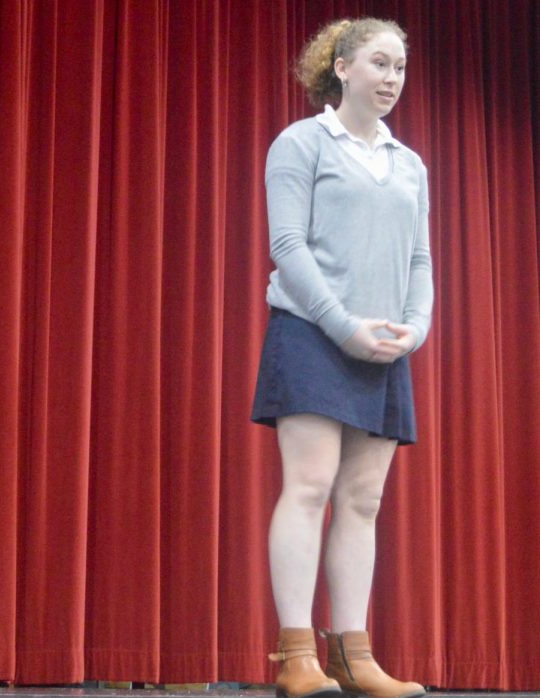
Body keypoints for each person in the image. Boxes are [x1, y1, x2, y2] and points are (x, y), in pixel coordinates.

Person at [250, 17, 433, 698]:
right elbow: (288, 249)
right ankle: (297, 656)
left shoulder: (408, 162)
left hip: (384, 346)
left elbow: (419, 257)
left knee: (363, 498)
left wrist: (415, 326)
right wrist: (344, 327)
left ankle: (354, 657)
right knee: (310, 486)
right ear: (343, 66)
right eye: (380, 64)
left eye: (400, 69)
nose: (391, 80)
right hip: (312, 334)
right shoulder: (302, 143)